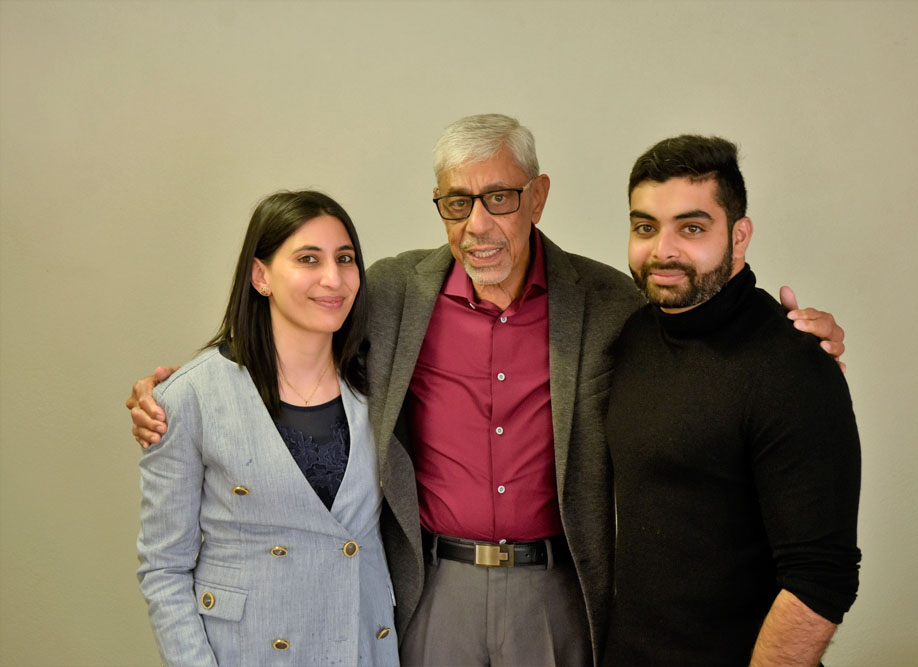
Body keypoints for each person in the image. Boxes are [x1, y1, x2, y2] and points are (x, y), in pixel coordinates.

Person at [128, 115, 847, 667]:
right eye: (456, 202)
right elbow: (297, 323)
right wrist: (180, 392)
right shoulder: (391, 292)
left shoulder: (608, 300)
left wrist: (799, 340)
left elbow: (698, 326)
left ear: (537, 197)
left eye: (499, 197)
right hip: (433, 587)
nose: (478, 225)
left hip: (556, 590)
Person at [602, 135, 861, 666]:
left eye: (692, 228)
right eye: (645, 227)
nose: (663, 250)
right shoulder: (632, 335)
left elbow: (821, 579)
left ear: (739, 237)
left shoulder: (793, 365)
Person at [136, 191, 399, 666]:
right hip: (247, 650)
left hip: (362, 644)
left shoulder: (382, 383)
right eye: (308, 259)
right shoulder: (191, 396)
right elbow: (163, 567)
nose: (333, 278)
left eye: (345, 258)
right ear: (261, 276)